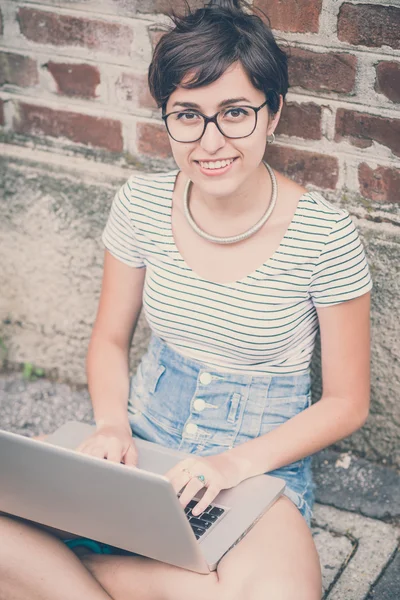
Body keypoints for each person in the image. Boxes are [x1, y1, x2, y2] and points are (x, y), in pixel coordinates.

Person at [0, 1, 372, 598]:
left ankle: (73, 581)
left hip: (255, 468)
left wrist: (229, 465)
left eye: (235, 113)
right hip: (141, 441)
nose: (210, 141)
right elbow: (110, 339)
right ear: (166, 120)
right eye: (187, 116)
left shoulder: (325, 236)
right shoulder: (140, 205)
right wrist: (112, 425)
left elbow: (347, 403)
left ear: (272, 114)